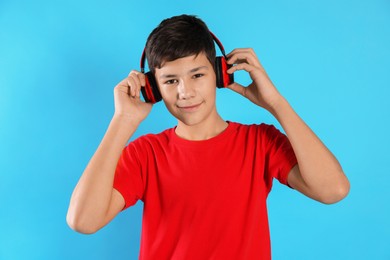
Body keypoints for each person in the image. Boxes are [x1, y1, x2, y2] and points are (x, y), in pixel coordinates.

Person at [67, 14, 350, 259]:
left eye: (197, 75)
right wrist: (121, 122)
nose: (185, 92)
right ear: (152, 87)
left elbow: (333, 190)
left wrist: (276, 103)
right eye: (170, 81)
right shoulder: (146, 153)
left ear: (219, 74)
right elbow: (83, 221)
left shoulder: (259, 142)